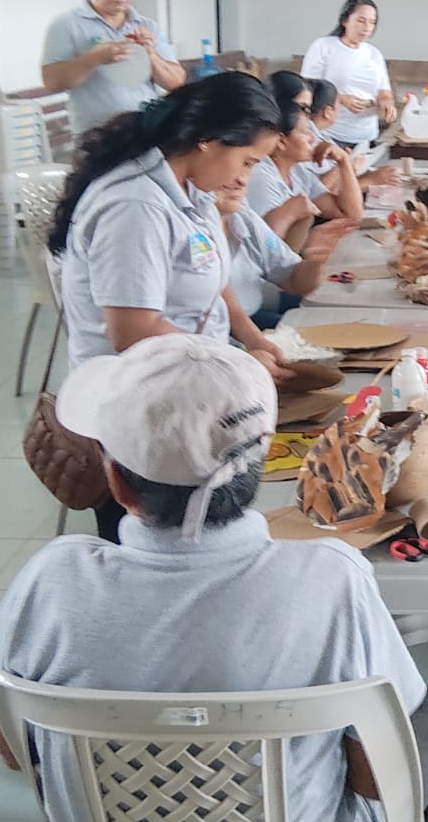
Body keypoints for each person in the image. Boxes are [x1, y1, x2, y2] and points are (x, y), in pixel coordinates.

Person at [0, 336, 428, 822]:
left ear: (118, 484)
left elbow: (12, 745)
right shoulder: (330, 579)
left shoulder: (52, 580)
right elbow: (372, 776)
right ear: (265, 462)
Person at [47, 71, 295, 541]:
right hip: (137, 405)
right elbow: (134, 332)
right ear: (208, 140)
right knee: (149, 545)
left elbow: (211, 279)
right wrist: (234, 365)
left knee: (197, 537)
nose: (245, 177)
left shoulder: (190, 190)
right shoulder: (136, 206)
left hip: (183, 389)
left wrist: (251, 338)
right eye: (247, 160)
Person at [41, 0, 186, 136]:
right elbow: (52, 82)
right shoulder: (67, 24)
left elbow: (176, 83)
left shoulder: (147, 26)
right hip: (96, 136)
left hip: (144, 131)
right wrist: (94, 58)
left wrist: (150, 54)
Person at [216, 175, 353, 330]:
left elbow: (293, 281)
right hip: (223, 332)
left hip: (249, 315)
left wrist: (315, 262)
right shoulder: (195, 229)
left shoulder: (242, 216)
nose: (243, 180)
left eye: (247, 166)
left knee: (345, 320)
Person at [248, 73, 365, 243]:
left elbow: (351, 215)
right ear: (281, 141)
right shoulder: (261, 177)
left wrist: (344, 162)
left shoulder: (297, 172)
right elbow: (264, 249)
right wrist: (288, 216)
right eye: (305, 133)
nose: (312, 139)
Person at [300, 0, 397, 150]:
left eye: (372, 22)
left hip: (367, 137)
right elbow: (307, 86)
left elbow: (384, 92)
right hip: (330, 136)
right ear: (345, 20)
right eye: (361, 20)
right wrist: (341, 98)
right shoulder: (324, 47)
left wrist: (387, 103)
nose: (367, 27)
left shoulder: (374, 54)